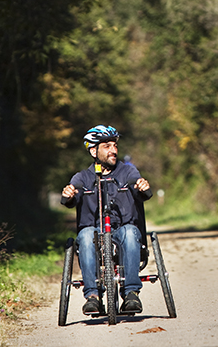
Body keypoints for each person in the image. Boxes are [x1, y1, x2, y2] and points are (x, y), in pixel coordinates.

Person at [61, 125, 153, 315]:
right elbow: (72, 195)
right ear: (93, 151)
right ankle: (93, 297)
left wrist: (141, 186)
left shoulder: (128, 171)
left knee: (129, 232)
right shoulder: (83, 177)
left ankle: (131, 294)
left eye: (115, 146)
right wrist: (69, 194)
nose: (113, 150)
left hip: (122, 230)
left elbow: (137, 184)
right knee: (85, 235)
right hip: (95, 234)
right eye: (107, 146)